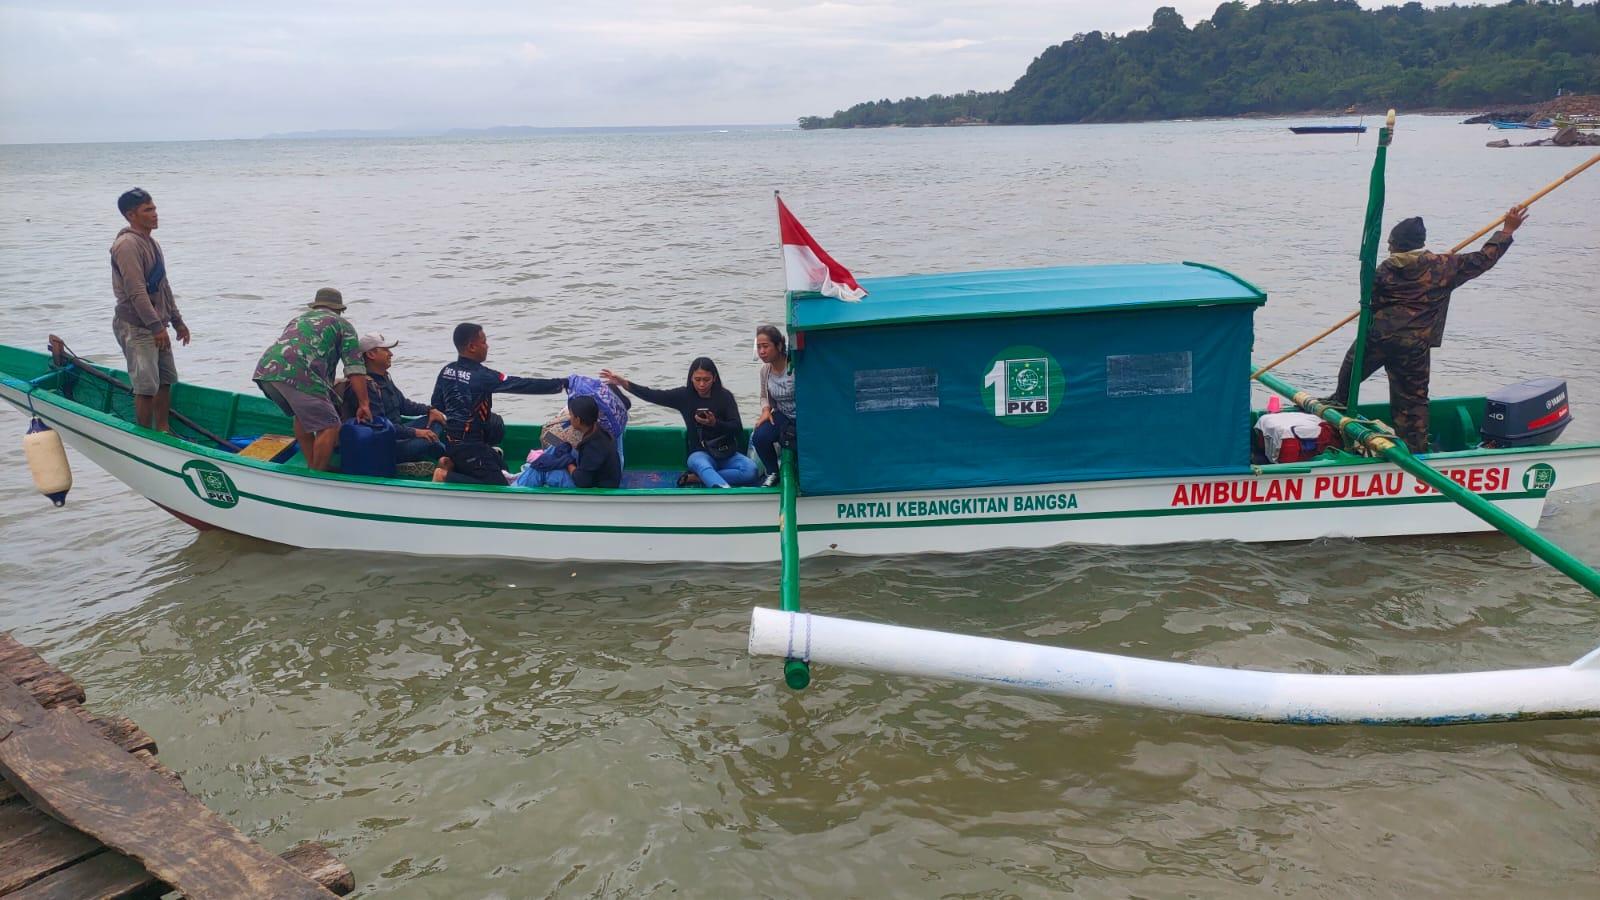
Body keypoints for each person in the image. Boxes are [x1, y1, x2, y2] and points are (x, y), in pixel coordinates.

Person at [1324, 206, 1527, 453]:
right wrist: (1507, 230)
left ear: (1398, 244)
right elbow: (1484, 258)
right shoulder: (1445, 266)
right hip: (1414, 347)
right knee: (1412, 404)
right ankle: (1415, 452)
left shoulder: (1384, 270)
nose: (1388, 248)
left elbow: (1372, 301)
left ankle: (1337, 408)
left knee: (1350, 373)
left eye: (1390, 243)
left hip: (1378, 339)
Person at [431, 322, 567, 485]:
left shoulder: (447, 370)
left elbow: (437, 403)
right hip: (471, 446)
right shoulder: (482, 376)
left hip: (451, 441)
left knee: (502, 465)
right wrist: (561, 384)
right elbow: (522, 384)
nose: (487, 346)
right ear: (472, 347)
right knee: (499, 485)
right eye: (484, 342)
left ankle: (451, 462)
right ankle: (444, 476)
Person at [254, 288, 371, 472]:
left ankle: (313, 466)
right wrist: (364, 403)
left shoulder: (298, 319)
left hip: (267, 370)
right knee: (330, 424)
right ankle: (317, 475)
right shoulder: (343, 325)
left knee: (301, 416)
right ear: (339, 310)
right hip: (299, 375)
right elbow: (355, 369)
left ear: (316, 306)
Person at [600, 357, 759, 488]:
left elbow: (736, 427)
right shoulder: (685, 396)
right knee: (702, 465)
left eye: (706, 379)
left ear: (714, 378)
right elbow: (653, 395)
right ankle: (723, 491)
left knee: (751, 470)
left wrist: (715, 423)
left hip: (725, 452)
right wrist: (623, 383)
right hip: (700, 454)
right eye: (697, 379)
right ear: (691, 378)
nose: (701, 384)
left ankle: (697, 479)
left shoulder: (725, 397)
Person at [110, 187, 190, 431]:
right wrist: (155, 326)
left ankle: (163, 430)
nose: (155, 214)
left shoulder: (152, 243)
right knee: (145, 386)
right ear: (131, 215)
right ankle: (144, 434)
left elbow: (163, 286)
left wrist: (177, 321)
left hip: (157, 324)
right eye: (148, 210)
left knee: (165, 380)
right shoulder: (126, 245)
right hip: (137, 325)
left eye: (154, 208)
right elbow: (136, 292)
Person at [340, 333, 446, 463]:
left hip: (399, 433)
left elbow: (404, 405)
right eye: (385, 350)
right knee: (430, 441)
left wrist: (430, 410)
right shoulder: (365, 386)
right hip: (384, 445)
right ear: (371, 354)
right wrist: (416, 433)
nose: (391, 354)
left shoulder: (385, 377)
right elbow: (380, 427)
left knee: (437, 420)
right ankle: (443, 459)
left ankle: (428, 456)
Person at [515, 395, 622, 488]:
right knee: (555, 447)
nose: (569, 418)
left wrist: (568, 462)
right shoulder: (597, 429)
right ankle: (528, 473)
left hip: (593, 487)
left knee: (542, 471)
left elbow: (582, 481)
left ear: (578, 420)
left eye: (571, 415)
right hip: (591, 473)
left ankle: (517, 488)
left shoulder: (593, 447)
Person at [750, 324, 795, 487]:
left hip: (803, 415)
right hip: (782, 414)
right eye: (759, 347)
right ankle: (772, 471)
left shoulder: (794, 367)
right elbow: (764, 396)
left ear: (779, 345)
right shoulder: (765, 370)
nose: (762, 352)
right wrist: (766, 410)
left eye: (765, 346)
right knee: (759, 436)